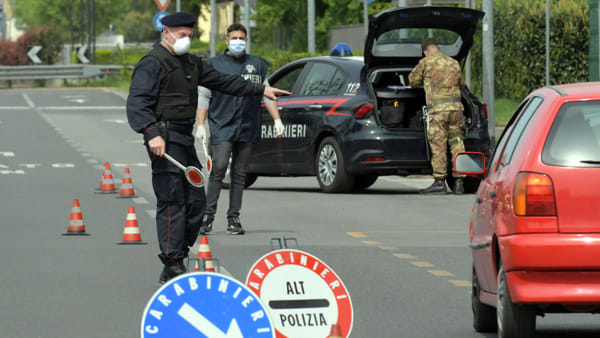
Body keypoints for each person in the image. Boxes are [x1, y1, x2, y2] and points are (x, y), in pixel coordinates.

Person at [126, 13, 289, 284]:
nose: (186, 40)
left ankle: (178, 252)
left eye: (190, 35)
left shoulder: (192, 63)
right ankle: (172, 262)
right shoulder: (152, 63)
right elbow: (137, 103)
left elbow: (226, 81)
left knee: (196, 201)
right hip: (164, 138)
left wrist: (261, 90)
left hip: (184, 137)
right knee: (173, 198)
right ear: (166, 33)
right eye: (181, 35)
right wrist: (151, 133)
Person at [195, 23, 285, 236]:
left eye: (241, 38)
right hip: (222, 125)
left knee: (239, 174)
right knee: (218, 169)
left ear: (246, 40)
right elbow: (204, 96)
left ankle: (233, 218)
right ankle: (207, 217)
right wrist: (200, 125)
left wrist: (277, 120)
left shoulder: (257, 65)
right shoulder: (214, 65)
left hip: (247, 125)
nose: (237, 41)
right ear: (226, 41)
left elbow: (268, 93)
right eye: (233, 37)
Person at [408, 37, 466, 195]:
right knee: (457, 143)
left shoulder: (425, 62)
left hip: (438, 111)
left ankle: (440, 182)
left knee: (439, 144)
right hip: (456, 109)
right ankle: (459, 182)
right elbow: (462, 84)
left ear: (425, 51)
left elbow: (412, 81)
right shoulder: (453, 63)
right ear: (438, 48)